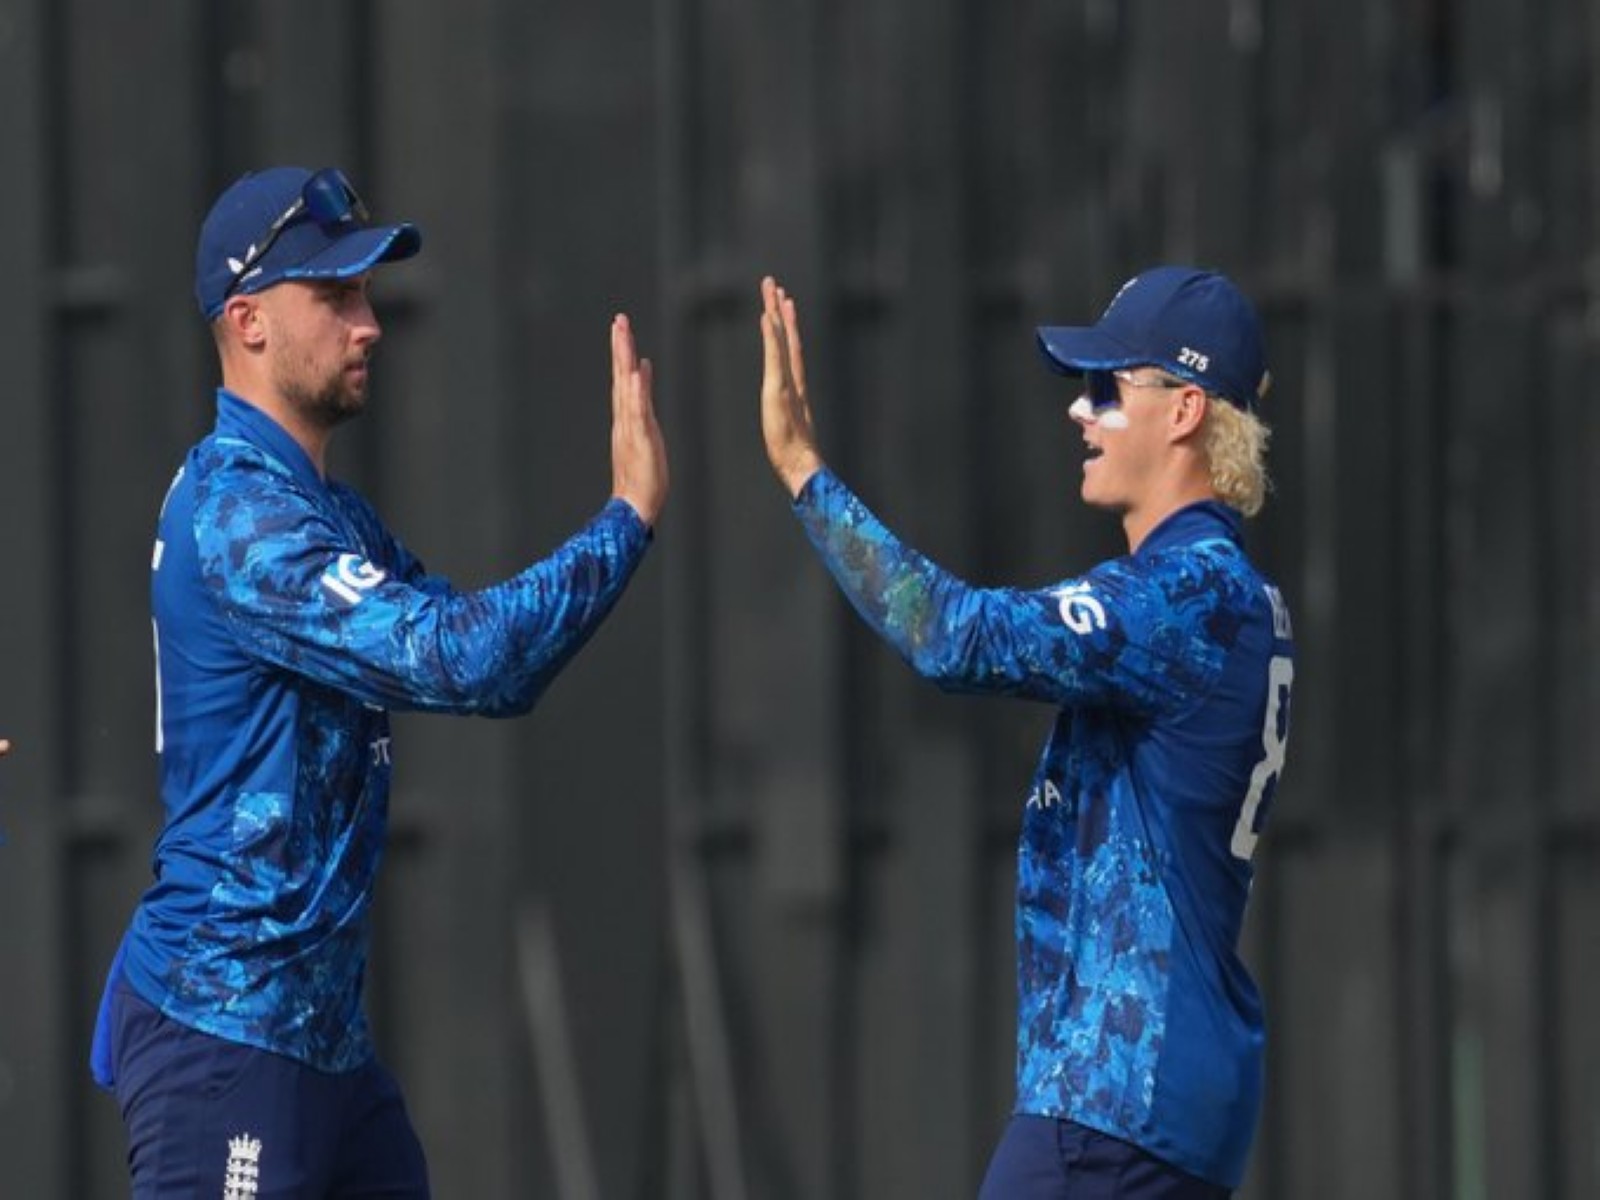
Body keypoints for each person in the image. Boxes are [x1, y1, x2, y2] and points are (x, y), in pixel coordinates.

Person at [89, 165, 668, 1199]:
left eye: (365, 295)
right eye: (337, 296)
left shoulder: (320, 513)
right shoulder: (243, 518)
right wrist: (624, 517)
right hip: (225, 1035)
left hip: (317, 1047)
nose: (370, 326)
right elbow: (467, 659)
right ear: (248, 321)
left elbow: (484, 654)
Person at [758, 268, 1293, 1198]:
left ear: (1185, 411)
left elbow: (952, 634)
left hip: (1119, 1100)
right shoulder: (1223, 590)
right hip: (1161, 1101)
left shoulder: (1189, 592)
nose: (1080, 414)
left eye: (1106, 389)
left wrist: (806, 473)